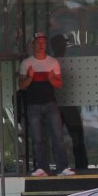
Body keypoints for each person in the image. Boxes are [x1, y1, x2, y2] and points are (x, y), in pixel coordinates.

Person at [18, 32, 72, 177]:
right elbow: (22, 85)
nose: (41, 45)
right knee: (38, 139)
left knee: (58, 137)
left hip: (50, 104)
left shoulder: (53, 62)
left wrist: (51, 78)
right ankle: (42, 168)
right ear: (33, 45)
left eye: (43, 42)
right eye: (38, 42)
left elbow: (59, 84)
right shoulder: (26, 63)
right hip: (33, 105)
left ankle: (62, 168)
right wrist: (30, 77)